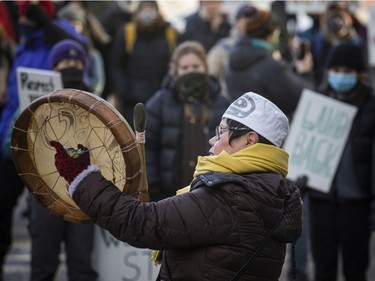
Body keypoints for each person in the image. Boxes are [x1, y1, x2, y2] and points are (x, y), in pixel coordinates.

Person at [49, 91, 303, 280]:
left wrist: (82, 176)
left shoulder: (232, 197)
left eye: (223, 130)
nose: (214, 139)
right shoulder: (271, 191)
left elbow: (141, 222)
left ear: (249, 140)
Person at [0, 1, 87, 279]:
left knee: (78, 259)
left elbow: (81, 47)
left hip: (65, 171)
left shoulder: (58, 31)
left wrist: (50, 27)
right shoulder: (23, 42)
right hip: (20, 146)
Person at [28, 39, 98, 281]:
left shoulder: (96, 104)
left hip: (83, 194)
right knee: (42, 262)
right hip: (44, 193)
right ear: (53, 68)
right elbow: (11, 144)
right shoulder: (34, 103)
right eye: (65, 62)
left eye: (77, 62)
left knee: (81, 264)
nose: (72, 66)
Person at [307, 43, 375, 281]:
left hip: (356, 202)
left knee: (355, 270)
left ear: (359, 73)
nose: (341, 76)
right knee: (323, 269)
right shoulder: (316, 101)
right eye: (336, 70)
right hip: (321, 201)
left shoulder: (370, 104)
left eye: (347, 71)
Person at [145, 41, 230, 201]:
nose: (191, 72)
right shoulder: (160, 102)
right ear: (176, 71)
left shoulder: (221, 102)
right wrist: (153, 184)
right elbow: (147, 146)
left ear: (205, 67)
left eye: (196, 66)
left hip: (211, 192)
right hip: (169, 194)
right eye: (185, 68)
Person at [225, 5, 314, 118]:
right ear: (272, 33)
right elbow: (302, 99)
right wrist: (305, 73)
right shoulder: (272, 67)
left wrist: (292, 70)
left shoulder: (234, 59)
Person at [110, 0, 178, 127]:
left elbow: (175, 62)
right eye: (144, 8)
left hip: (162, 97)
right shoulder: (127, 32)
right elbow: (116, 64)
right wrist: (123, 90)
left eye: (151, 8)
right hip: (133, 101)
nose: (148, 12)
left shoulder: (169, 32)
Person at [207, 4, 253, 98]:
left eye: (252, 19)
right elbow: (210, 73)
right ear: (237, 22)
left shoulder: (264, 46)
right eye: (244, 19)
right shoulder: (223, 47)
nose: (248, 23)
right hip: (231, 102)